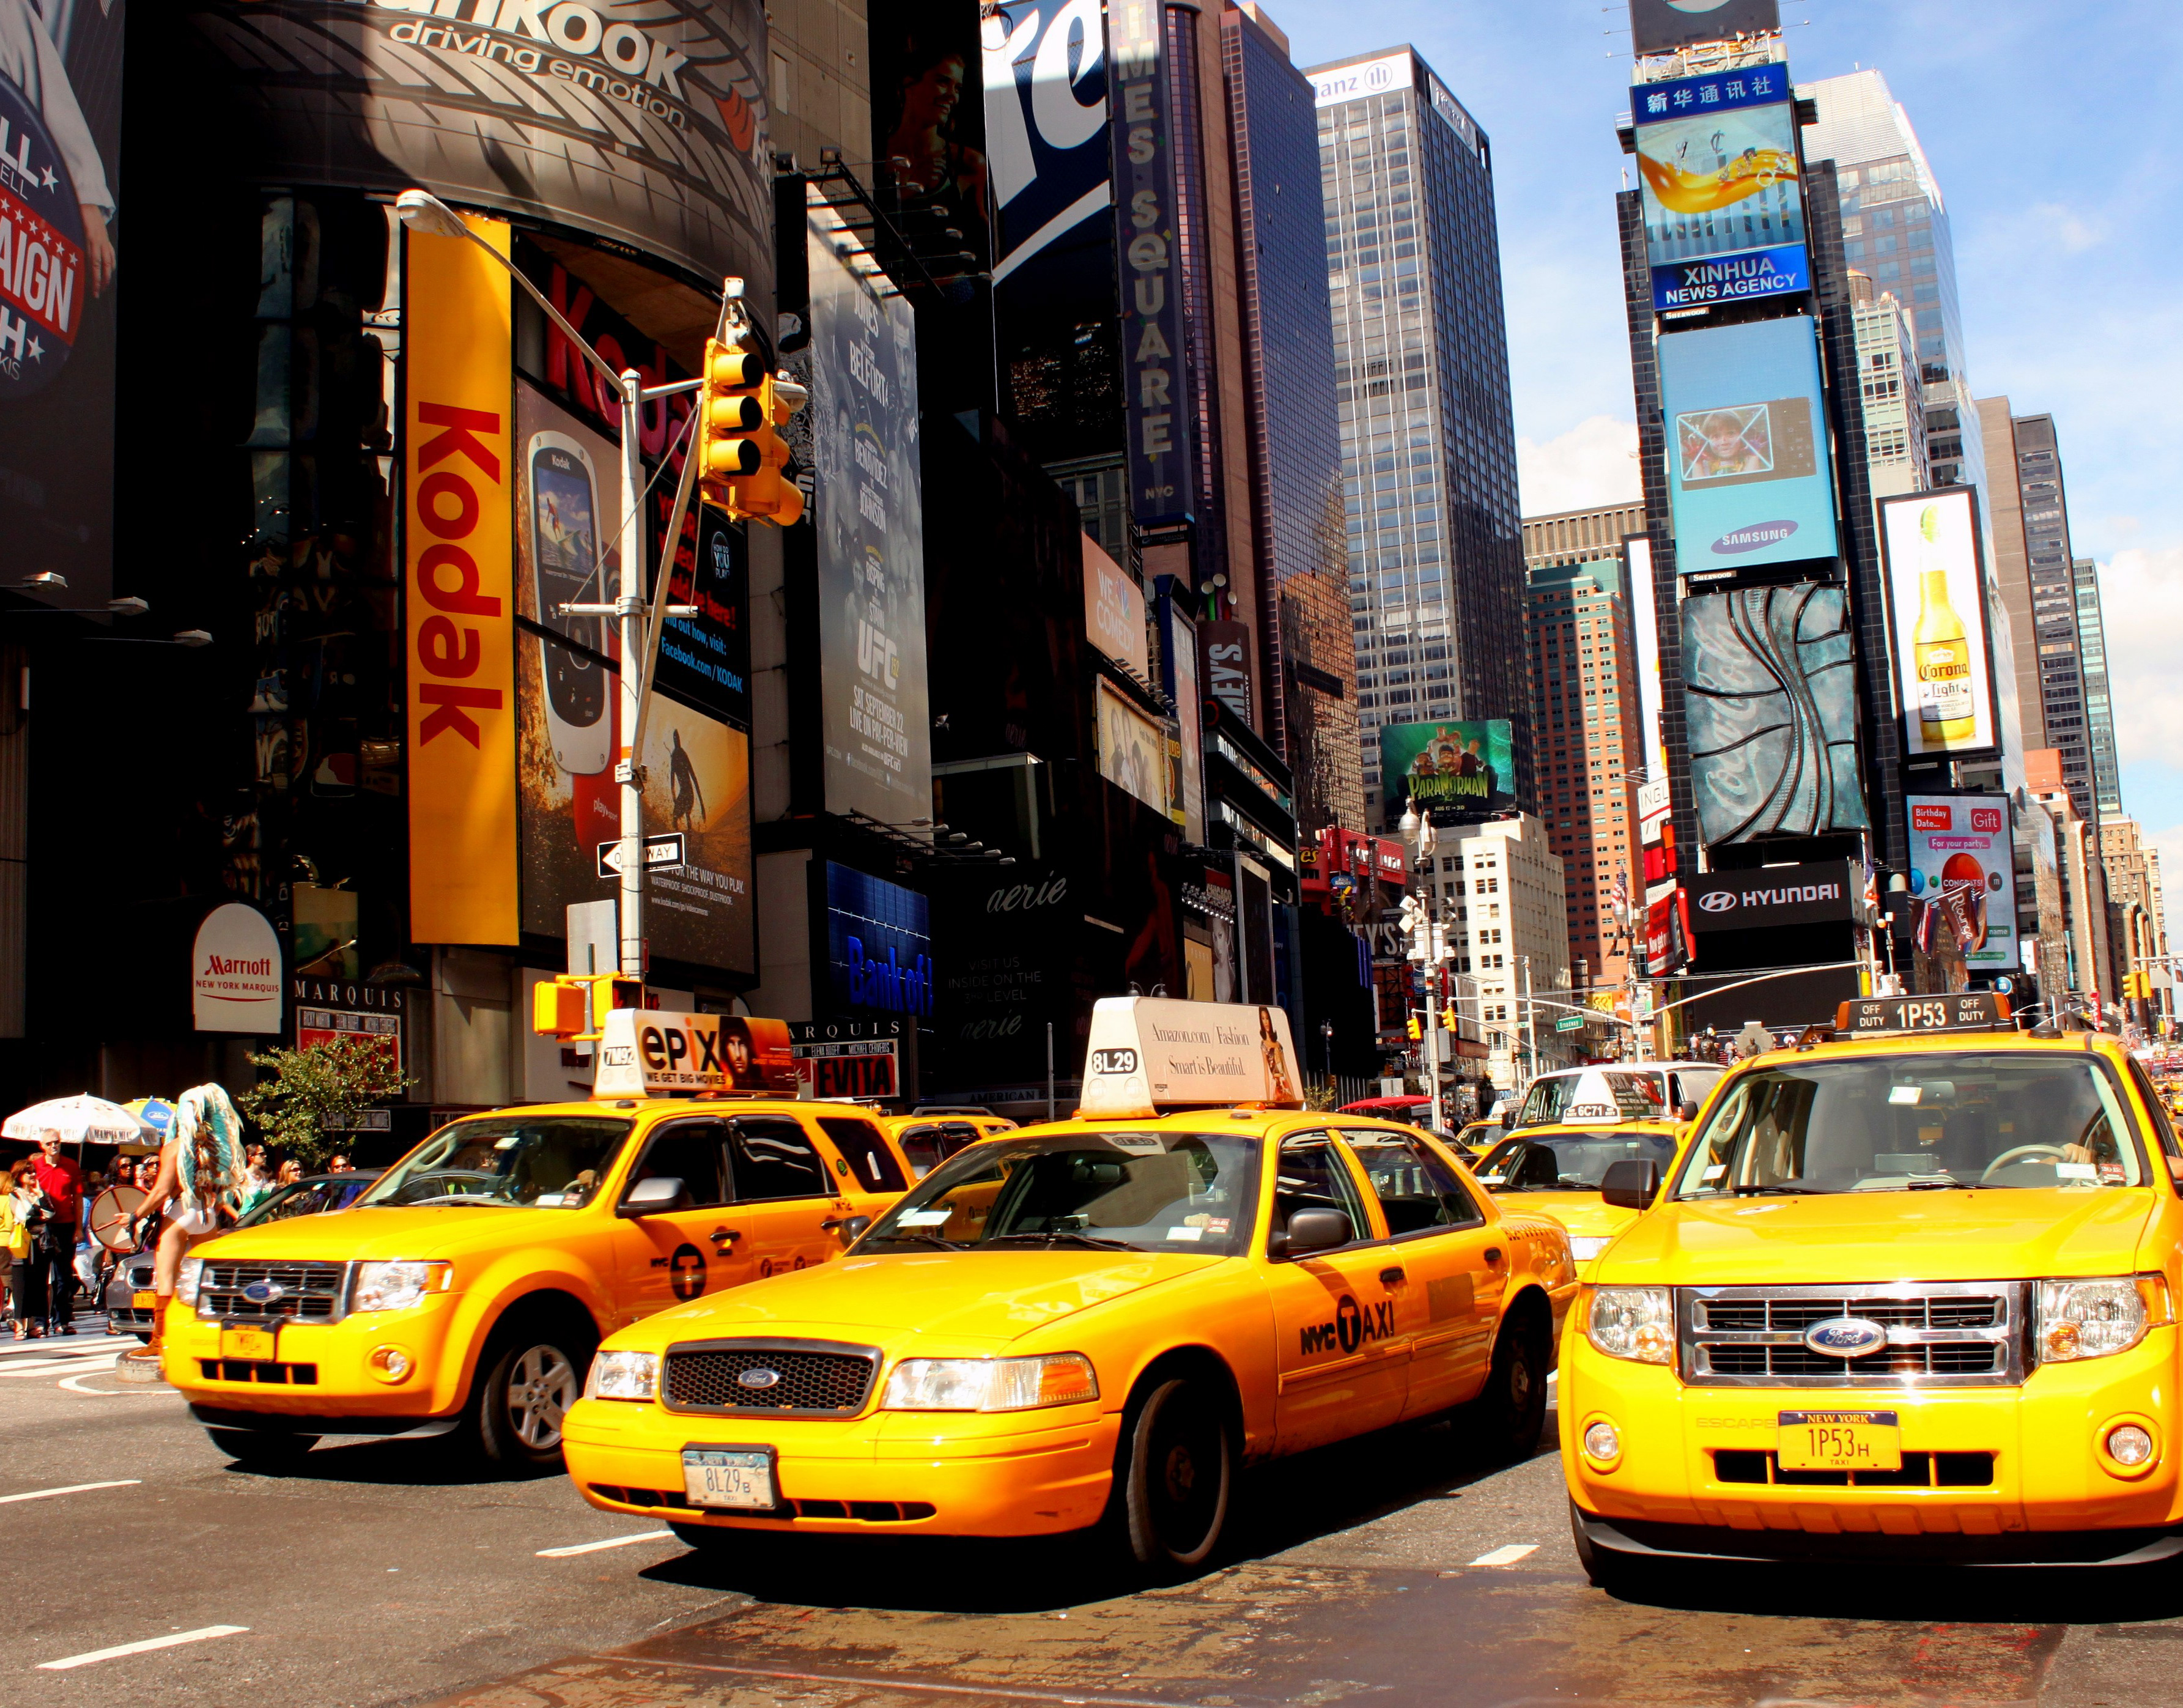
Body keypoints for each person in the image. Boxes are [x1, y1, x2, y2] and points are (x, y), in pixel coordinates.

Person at [131, 1085, 245, 1361]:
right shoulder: (216, 1149)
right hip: (207, 1216)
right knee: (210, 1279)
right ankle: (213, 1334)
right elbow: (223, 1191)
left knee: (166, 1280)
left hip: (180, 1214)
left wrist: (135, 1216)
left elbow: (161, 1192)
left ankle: (159, 1341)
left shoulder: (174, 1147)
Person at [31, 1131, 82, 1334]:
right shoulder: (35, 1167)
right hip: (42, 1227)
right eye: (49, 1143)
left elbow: (78, 1198)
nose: (54, 1146)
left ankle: (61, 1321)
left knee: (63, 1277)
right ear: (42, 1146)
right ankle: (40, 1322)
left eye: (57, 1142)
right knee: (39, 1276)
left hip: (66, 1225)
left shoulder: (71, 1166)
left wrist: (79, 1228)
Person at [6, 1161, 48, 1339]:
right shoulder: (15, 1194)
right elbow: (25, 1217)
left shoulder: (38, 1193)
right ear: (19, 1175)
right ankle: (19, 1326)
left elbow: (50, 1213)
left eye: (34, 1171)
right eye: (28, 1172)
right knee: (21, 1286)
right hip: (23, 1245)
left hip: (40, 1244)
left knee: (37, 1285)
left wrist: (39, 1196)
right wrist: (39, 1213)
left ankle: (31, 1326)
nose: (33, 1175)